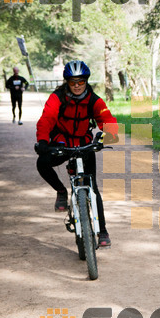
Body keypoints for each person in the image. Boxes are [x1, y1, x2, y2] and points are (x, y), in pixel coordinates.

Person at [35, 61, 119, 248]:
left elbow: (106, 118)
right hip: (62, 143)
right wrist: (42, 141)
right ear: (67, 82)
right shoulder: (57, 97)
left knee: (94, 189)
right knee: (42, 163)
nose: (77, 85)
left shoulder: (94, 99)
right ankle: (61, 191)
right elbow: (47, 118)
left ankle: (103, 231)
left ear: (86, 81)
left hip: (84, 144)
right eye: (73, 82)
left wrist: (110, 133)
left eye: (80, 81)